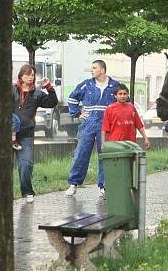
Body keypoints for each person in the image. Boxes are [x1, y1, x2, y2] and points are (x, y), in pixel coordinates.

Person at [64, 60, 119, 197]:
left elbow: (124, 103)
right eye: (91, 68)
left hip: (106, 125)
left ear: (102, 70)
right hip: (88, 124)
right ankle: (73, 183)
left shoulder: (115, 86)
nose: (92, 70)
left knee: (105, 154)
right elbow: (72, 99)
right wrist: (77, 113)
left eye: (94, 68)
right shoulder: (86, 85)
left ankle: (104, 185)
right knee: (81, 153)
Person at [12, 64, 59, 202]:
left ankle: (27, 192)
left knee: (26, 164)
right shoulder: (11, 90)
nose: (31, 77)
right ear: (21, 76)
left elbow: (52, 102)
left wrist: (49, 88)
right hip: (7, 134)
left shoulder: (37, 93)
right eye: (28, 74)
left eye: (33, 75)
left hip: (26, 135)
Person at [101, 84, 151, 149]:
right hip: (115, 144)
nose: (122, 96)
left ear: (128, 95)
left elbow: (139, 125)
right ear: (115, 96)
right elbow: (104, 129)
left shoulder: (131, 107)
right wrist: (103, 144)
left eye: (125, 94)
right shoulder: (109, 109)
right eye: (120, 94)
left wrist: (146, 138)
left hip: (131, 144)